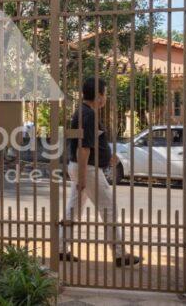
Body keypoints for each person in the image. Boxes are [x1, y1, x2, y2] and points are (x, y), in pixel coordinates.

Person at [58, 77, 142, 267]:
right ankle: (120, 254)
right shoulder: (88, 115)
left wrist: (106, 157)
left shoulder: (82, 113)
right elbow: (83, 148)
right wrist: (83, 178)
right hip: (87, 170)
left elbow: (90, 144)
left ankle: (61, 250)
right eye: (105, 93)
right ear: (98, 96)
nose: (106, 97)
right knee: (109, 210)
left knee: (73, 210)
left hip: (83, 167)